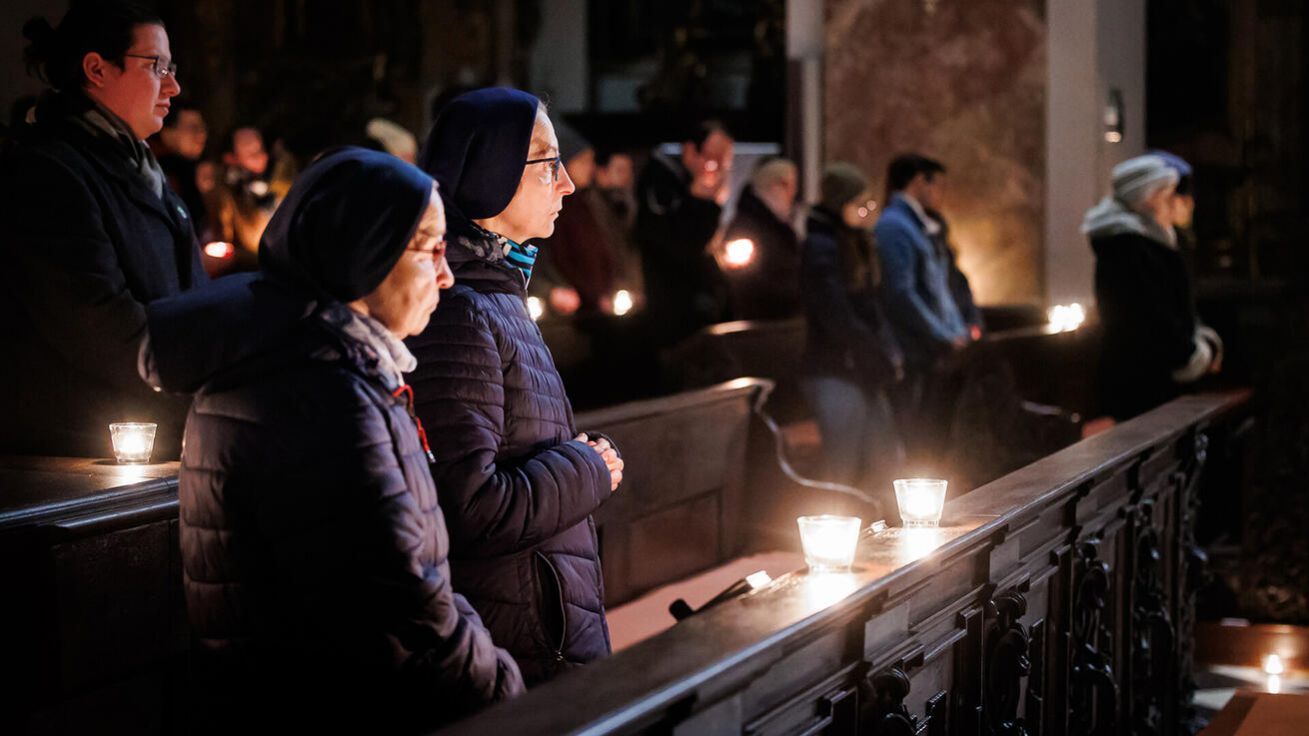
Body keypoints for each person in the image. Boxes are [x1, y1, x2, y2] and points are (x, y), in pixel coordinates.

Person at [143, 148, 524, 731]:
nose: (447, 275)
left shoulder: (312, 364)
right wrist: (498, 682)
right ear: (365, 253)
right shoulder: (321, 393)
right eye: (431, 248)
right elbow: (400, 597)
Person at [410, 87, 625, 685]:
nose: (568, 184)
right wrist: (586, 468)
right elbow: (468, 505)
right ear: (490, 168)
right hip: (515, 640)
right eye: (546, 162)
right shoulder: (459, 311)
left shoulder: (496, 291)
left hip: (535, 618)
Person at [0, 1, 206, 458]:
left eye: (171, 68)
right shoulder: (50, 173)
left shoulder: (143, 171)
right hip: (82, 451)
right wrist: (205, 388)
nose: (173, 85)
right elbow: (97, 321)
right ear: (96, 68)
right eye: (156, 66)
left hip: (161, 434)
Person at [1083, 153, 1221, 421]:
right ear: (1147, 199)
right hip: (1144, 385)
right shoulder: (1130, 248)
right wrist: (1192, 354)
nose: (1174, 205)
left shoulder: (1151, 242)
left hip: (1156, 380)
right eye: (1167, 196)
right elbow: (1152, 319)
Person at [800, 163, 904, 498]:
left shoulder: (857, 241)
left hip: (863, 365)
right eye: (859, 205)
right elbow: (835, 314)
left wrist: (886, 351)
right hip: (835, 366)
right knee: (842, 465)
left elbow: (871, 306)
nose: (866, 212)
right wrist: (873, 351)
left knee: (887, 458)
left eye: (869, 205)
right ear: (839, 203)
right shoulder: (820, 246)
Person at [874, 153, 970, 464]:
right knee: (917, 439)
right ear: (919, 182)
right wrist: (943, 333)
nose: (940, 194)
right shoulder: (895, 225)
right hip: (914, 348)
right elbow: (901, 292)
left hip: (930, 345)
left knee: (932, 438)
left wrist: (957, 329)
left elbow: (940, 286)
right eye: (937, 185)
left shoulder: (921, 225)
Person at [635, 119, 735, 344]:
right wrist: (704, 203)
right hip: (673, 311)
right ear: (690, 151)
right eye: (712, 158)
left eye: (724, 160)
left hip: (697, 306)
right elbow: (684, 245)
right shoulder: (661, 184)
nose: (717, 167)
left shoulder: (684, 183)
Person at [722, 157, 802, 320]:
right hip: (759, 323)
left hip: (783, 320)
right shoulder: (744, 230)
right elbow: (747, 283)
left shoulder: (781, 228)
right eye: (786, 184)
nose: (792, 192)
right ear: (770, 185)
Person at [206, 124, 277, 261]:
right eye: (251, 152)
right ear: (231, 158)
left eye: (261, 149)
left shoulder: (279, 185)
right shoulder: (225, 197)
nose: (260, 157)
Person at [152, 98, 212, 237]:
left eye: (203, 128)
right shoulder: (157, 174)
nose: (201, 135)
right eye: (192, 128)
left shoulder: (196, 170)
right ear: (167, 132)